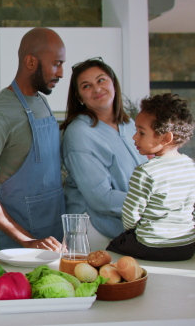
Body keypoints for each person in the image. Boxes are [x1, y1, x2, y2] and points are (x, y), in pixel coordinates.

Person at [0, 27, 66, 252]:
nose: (61, 73)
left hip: (53, 241)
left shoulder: (43, 102)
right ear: (30, 62)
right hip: (15, 248)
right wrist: (26, 240)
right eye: (56, 63)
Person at [60, 58, 147, 251]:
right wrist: (150, 201)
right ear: (80, 97)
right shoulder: (79, 133)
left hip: (128, 227)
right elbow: (101, 197)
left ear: (113, 83)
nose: (97, 89)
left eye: (101, 80)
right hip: (95, 232)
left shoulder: (129, 125)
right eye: (86, 86)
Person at [107, 93, 195, 261]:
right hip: (186, 246)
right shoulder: (191, 166)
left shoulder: (146, 171)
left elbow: (130, 217)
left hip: (151, 246)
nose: (135, 137)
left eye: (141, 132)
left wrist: (132, 231)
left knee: (114, 246)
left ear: (166, 137)